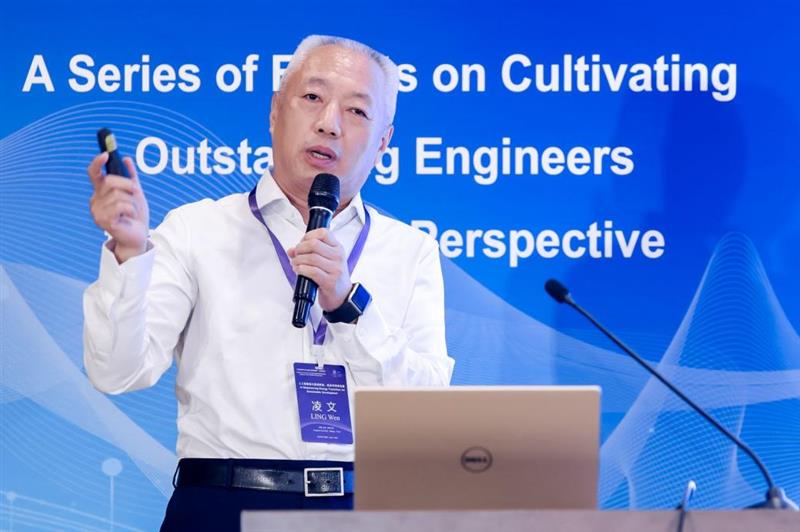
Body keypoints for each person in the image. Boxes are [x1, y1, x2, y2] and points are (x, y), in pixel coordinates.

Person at [83, 35, 454, 530]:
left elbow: (426, 416)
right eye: (313, 97)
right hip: (223, 505)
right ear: (275, 110)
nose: (329, 123)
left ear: (383, 142)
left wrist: (347, 306)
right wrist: (129, 253)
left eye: (357, 111)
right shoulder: (198, 229)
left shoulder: (410, 251)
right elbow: (117, 372)